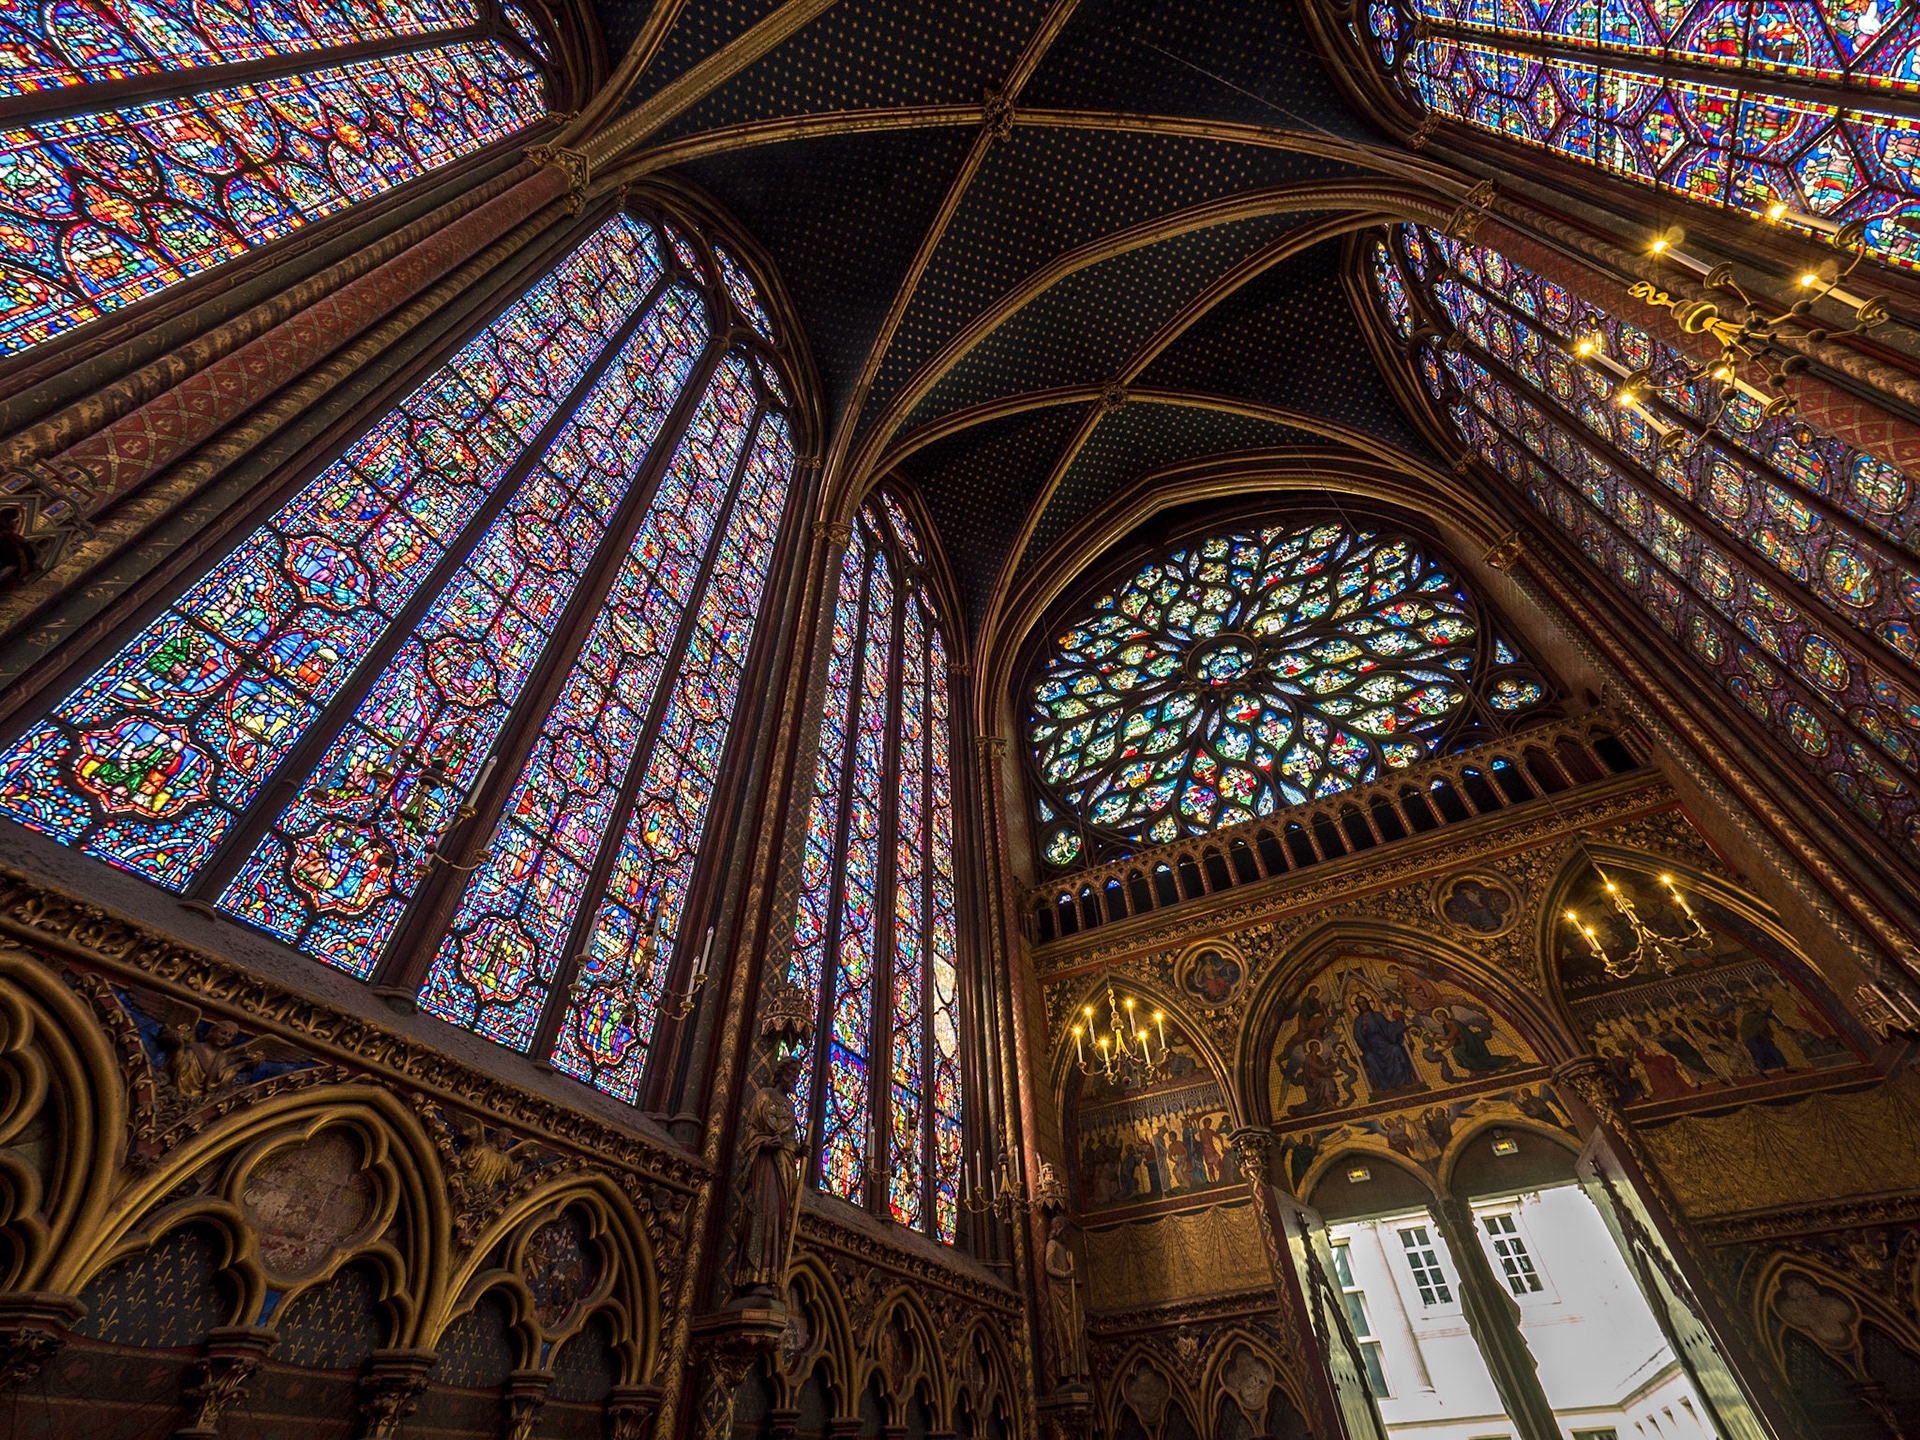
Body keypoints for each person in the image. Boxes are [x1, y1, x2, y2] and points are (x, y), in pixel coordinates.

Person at [731, 1052, 805, 1298]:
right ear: (781, 1073)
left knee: (779, 1218)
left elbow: (789, 1140)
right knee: (764, 1213)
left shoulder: (790, 1105)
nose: (795, 1079)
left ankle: (771, 1276)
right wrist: (764, 1143)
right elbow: (752, 1130)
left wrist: (799, 1149)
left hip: (784, 1168)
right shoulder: (764, 1096)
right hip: (765, 1166)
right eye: (792, 1074)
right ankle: (754, 1275)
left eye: (797, 1075)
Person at [1351, 995, 1419, 1092]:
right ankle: (1384, 1085)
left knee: (1395, 1049)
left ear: (1368, 1002)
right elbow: (1357, 1036)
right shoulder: (1358, 1020)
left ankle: (1401, 1081)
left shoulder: (1377, 1015)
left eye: (1364, 1002)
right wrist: (1363, 1030)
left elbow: (1388, 1028)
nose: (1363, 1005)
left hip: (1383, 1042)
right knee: (1370, 1057)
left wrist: (1398, 1021)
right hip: (1371, 1046)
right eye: (1360, 1003)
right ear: (1357, 1006)